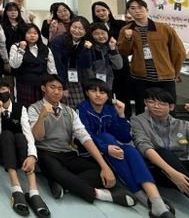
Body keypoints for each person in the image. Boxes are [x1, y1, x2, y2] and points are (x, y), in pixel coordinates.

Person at [28, 74, 135, 207]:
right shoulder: (33, 108)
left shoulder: (70, 111)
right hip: (46, 152)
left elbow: (84, 137)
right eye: (52, 87)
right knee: (56, 171)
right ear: (43, 88)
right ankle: (101, 195)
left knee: (99, 171)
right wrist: (42, 117)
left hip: (68, 153)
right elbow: (37, 137)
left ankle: (63, 184)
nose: (56, 92)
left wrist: (104, 166)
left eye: (60, 89)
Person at [77, 79, 174, 218]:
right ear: (87, 93)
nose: (98, 95)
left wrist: (121, 115)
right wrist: (106, 148)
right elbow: (86, 135)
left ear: (108, 95)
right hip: (90, 152)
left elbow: (125, 137)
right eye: (93, 91)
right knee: (106, 137)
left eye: (102, 92)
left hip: (112, 148)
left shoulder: (110, 109)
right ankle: (140, 194)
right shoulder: (82, 108)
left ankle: (155, 200)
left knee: (131, 150)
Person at [131, 87, 189, 216]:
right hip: (154, 168)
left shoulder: (182, 125)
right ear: (145, 103)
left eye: (162, 103)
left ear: (171, 107)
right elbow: (144, 147)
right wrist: (173, 173)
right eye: (151, 102)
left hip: (179, 165)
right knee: (164, 153)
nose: (156, 106)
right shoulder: (138, 121)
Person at [0, 76, 49, 217]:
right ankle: (16, 188)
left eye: (3, 89)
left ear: (9, 90)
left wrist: (32, 156)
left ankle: (33, 191)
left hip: (21, 150)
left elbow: (28, 134)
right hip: (2, 151)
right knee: (6, 134)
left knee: (20, 136)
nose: (0, 92)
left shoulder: (21, 108)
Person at [118, 0, 186, 115]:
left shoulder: (164, 28)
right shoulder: (126, 29)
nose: (137, 11)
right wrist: (128, 38)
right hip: (140, 78)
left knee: (168, 109)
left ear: (147, 9)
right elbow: (123, 52)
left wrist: (175, 72)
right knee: (142, 110)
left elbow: (179, 52)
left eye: (140, 7)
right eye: (132, 8)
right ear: (129, 12)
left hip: (165, 78)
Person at [91, 1, 131, 117]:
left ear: (109, 10)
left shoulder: (120, 24)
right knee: (106, 94)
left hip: (119, 61)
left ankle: (125, 118)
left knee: (123, 93)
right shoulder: (92, 26)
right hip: (103, 65)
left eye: (103, 10)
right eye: (98, 11)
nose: (101, 13)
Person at [9, 24, 57, 109]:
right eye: (29, 33)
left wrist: (53, 84)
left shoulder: (45, 48)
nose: (32, 35)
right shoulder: (15, 46)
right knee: (26, 109)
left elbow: (52, 69)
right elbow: (14, 65)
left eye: (35, 33)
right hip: (25, 85)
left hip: (42, 85)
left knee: (42, 109)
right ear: (24, 34)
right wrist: (21, 49)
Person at [50, 16, 92, 108]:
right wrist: (63, 86)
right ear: (69, 27)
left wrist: (86, 50)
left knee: (79, 107)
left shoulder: (85, 43)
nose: (77, 31)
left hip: (76, 80)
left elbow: (86, 65)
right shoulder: (58, 41)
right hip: (60, 79)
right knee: (62, 107)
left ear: (86, 31)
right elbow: (58, 65)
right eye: (74, 27)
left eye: (81, 28)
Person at [86, 23, 123, 88]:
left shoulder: (110, 46)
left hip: (108, 84)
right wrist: (94, 85)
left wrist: (113, 49)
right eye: (96, 34)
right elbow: (88, 70)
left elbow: (118, 66)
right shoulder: (88, 48)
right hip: (92, 85)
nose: (101, 36)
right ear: (91, 35)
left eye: (103, 33)